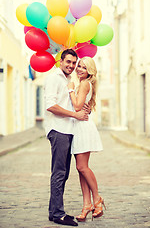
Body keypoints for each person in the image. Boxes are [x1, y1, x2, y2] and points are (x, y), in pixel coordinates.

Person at [44, 49, 90, 227]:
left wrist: (82, 110)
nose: (71, 66)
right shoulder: (54, 78)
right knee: (59, 173)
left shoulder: (69, 80)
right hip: (58, 130)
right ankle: (58, 214)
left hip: (68, 130)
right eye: (68, 62)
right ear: (60, 61)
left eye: (73, 63)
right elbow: (51, 105)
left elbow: (71, 103)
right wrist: (74, 114)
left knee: (63, 174)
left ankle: (53, 211)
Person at [67, 56, 106, 222]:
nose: (79, 69)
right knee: (80, 168)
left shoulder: (83, 83)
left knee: (82, 167)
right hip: (79, 126)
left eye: (83, 67)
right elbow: (81, 106)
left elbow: (76, 106)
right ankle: (86, 205)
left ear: (89, 70)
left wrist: (70, 90)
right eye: (79, 66)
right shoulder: (85, 84)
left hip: (82, 127)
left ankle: (97, 198)